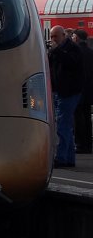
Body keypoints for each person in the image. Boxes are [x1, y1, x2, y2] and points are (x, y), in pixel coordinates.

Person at [49, 25, 84, 168]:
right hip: (61, 91)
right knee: (66, 125)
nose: (53, 39)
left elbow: (72, 63)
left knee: (62, 125)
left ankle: (62, 157)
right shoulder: (56, 50)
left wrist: (57, 51)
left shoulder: (73, 49)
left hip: (69, 92)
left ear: (64, 35)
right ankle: (69, 158)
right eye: (51, 37)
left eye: (55, 36)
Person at [74, 29, 93, 154]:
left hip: (78, 89)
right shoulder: (91, 52)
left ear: (77, 38)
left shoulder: (76, 52)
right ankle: (88, 144)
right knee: (87, 117)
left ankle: (81, 144)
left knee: (78, 118)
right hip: (89, 90)